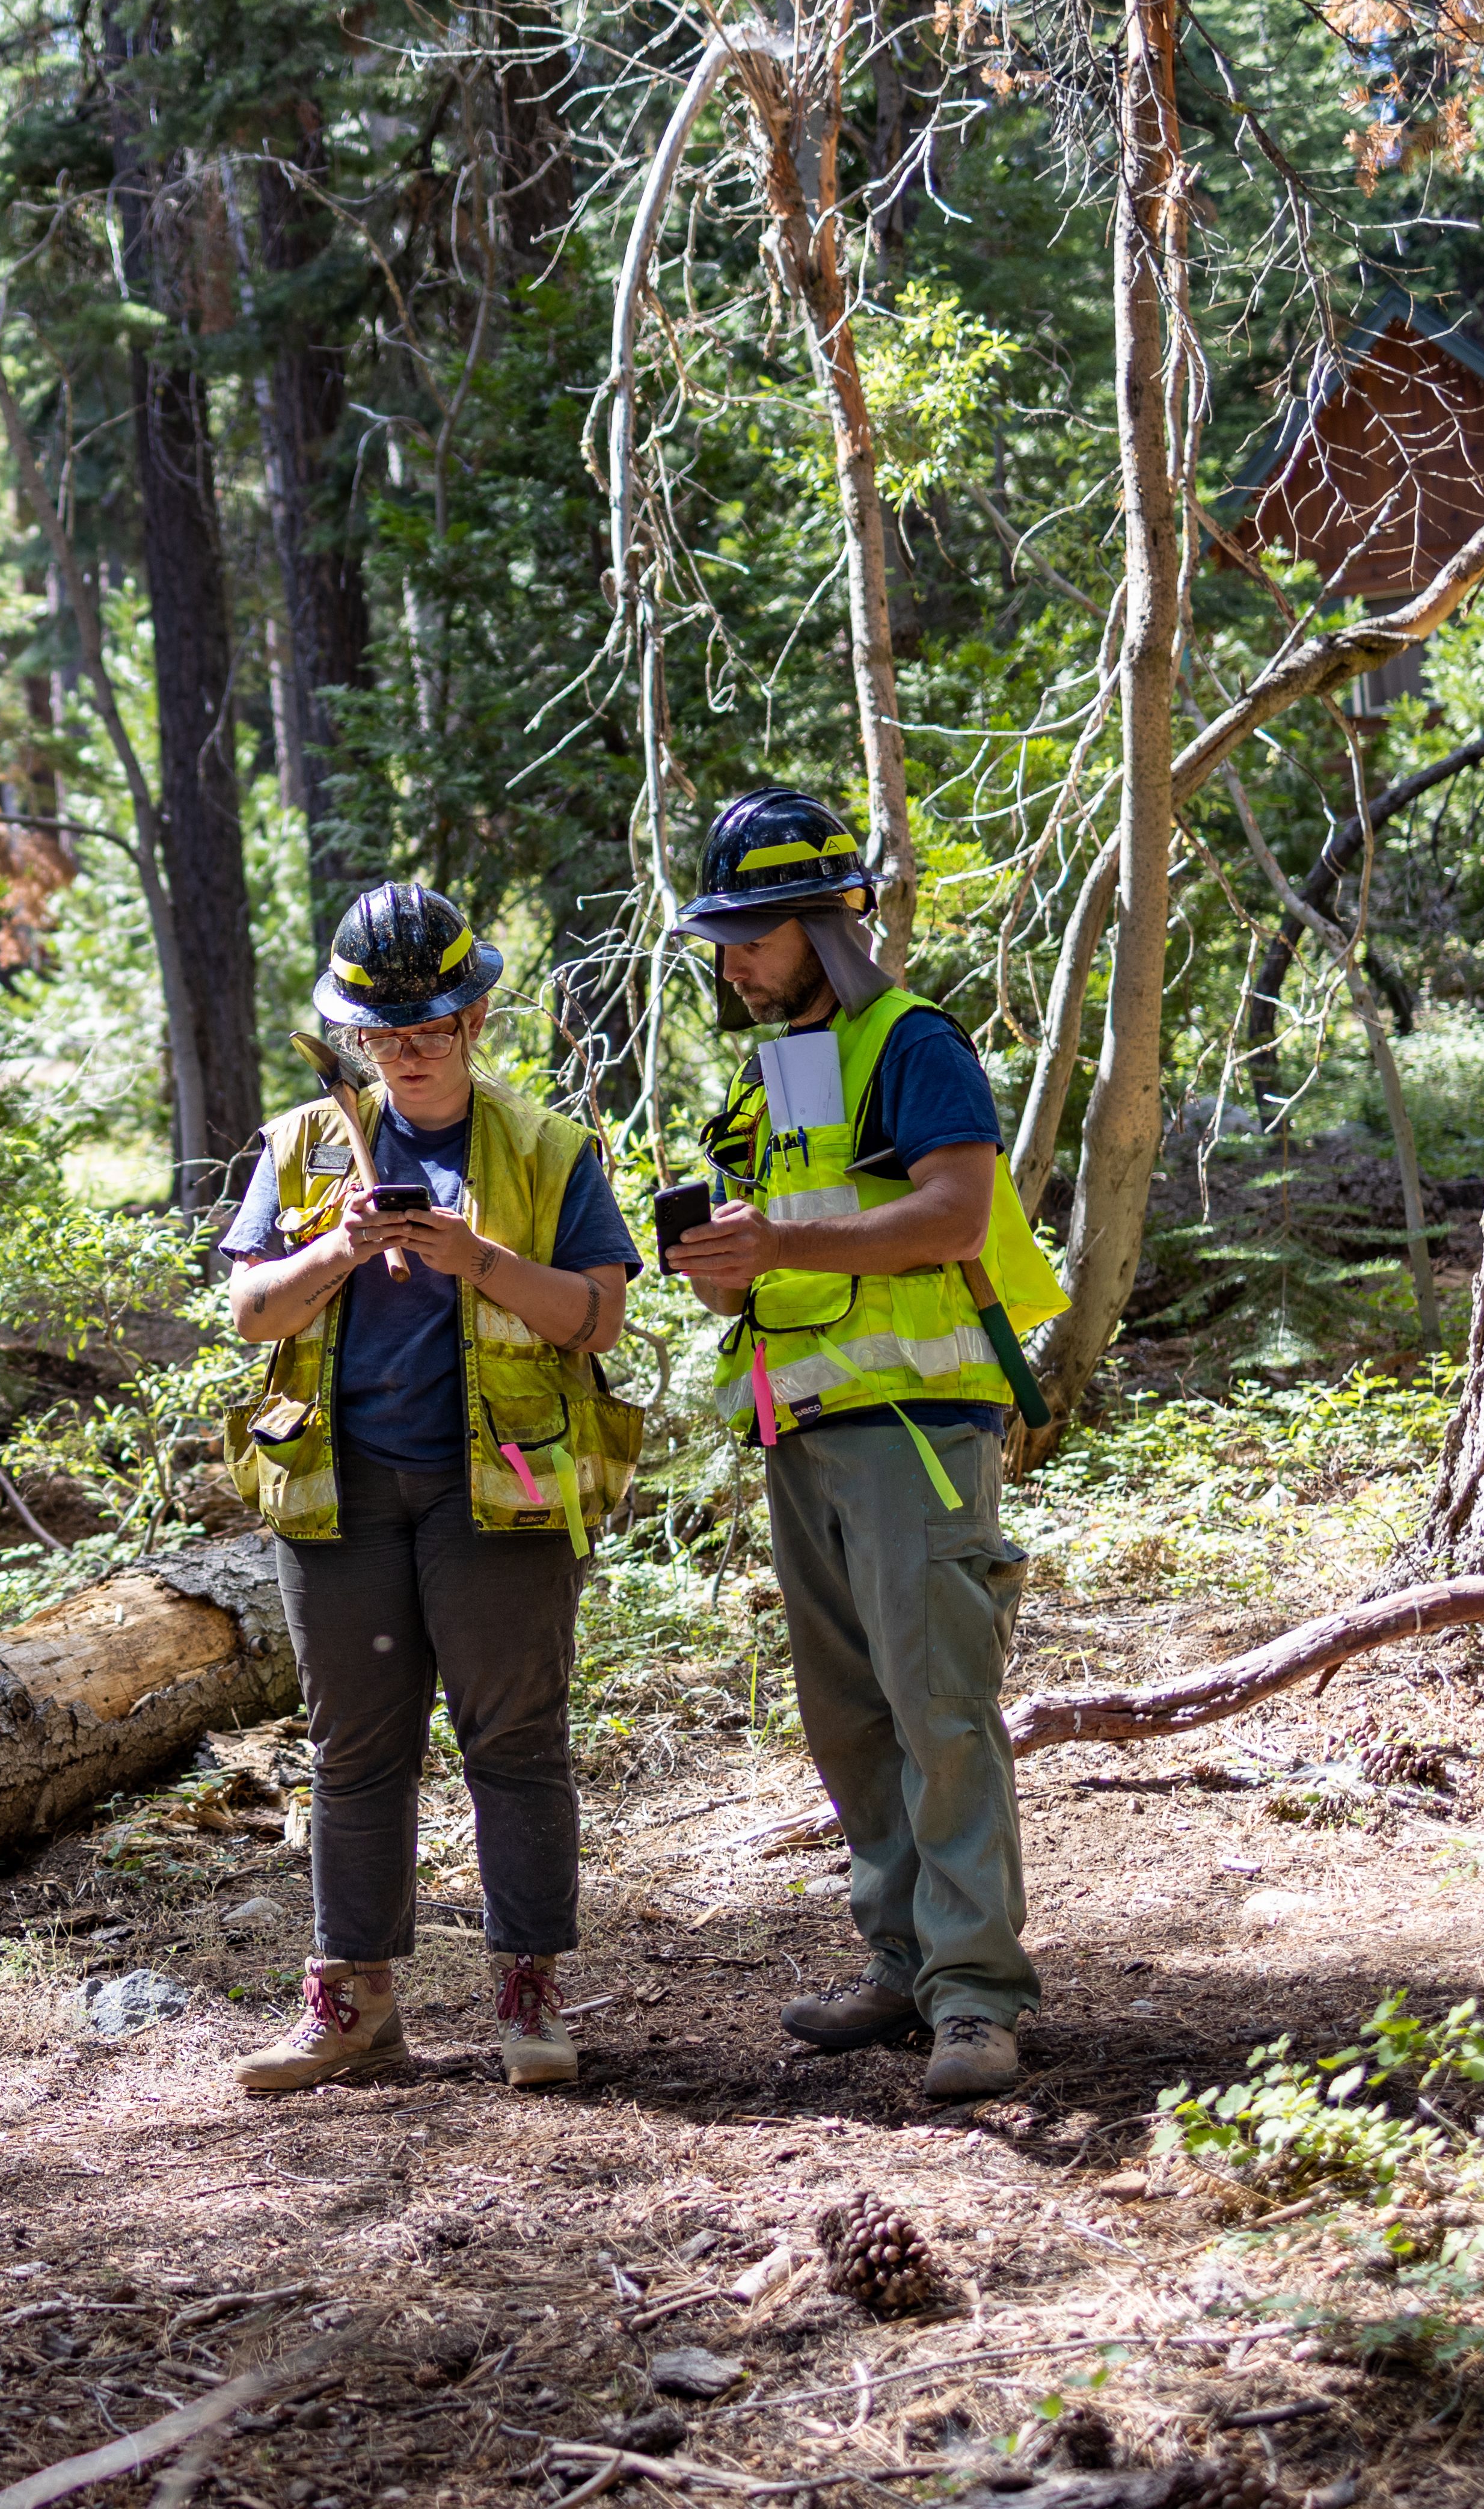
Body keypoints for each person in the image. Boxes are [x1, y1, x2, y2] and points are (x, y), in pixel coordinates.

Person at [658, 788, 1070, 2101]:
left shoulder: (915, 1041)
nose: (732, 959)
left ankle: (977, 1998)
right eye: (722, 935)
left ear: (826, 921)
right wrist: (727, 1264)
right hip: (807, 1432)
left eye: (749, 933)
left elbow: (953, 1217)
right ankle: (901, 1963)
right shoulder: (786, 1063)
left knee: (941, 1711)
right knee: (851, 1722)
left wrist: (779, 1244)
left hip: (918, 1434)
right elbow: (799, 1240)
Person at [218, 883, 645, 2092]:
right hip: (338, 1488)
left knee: (514, 1738)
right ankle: (351, 2003)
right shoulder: (304, 1145)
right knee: (354, 1747)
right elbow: (251, 1313)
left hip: (501, 1489)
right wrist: (338, 1248)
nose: (406, 1054)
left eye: (430, 1030)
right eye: (382, 1036)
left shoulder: (547, 1149)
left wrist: (483, 1260)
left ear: (477, 1016)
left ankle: (528, 1996)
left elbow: (598, 1313)